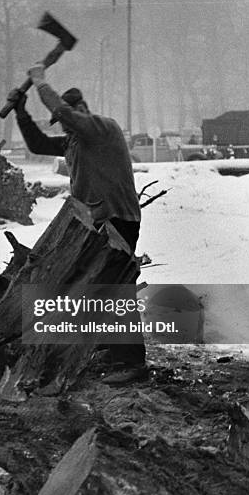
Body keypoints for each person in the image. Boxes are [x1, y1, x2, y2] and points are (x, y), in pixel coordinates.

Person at [9, 62, 147, 386]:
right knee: (96, 288)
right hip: (94, 226)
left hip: (119, 220)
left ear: (82, 110)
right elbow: (38, 144)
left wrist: (40, 82)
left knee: (116, 290)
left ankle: (132, 362)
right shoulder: (73, 140)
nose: (66, 127)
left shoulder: (102, 129)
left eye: (69, 118)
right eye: (63, 123)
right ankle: (108, 348)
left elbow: (68, 116)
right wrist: (21, 111)